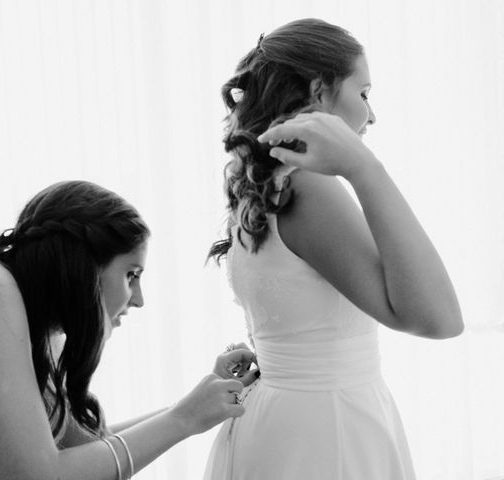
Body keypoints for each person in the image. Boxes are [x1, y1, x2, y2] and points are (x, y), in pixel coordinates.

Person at [204, 18, 464, 479]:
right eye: (363, 93)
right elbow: (438, 318)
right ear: (320, 91)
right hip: (328, 427)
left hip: (278, 419)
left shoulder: (262, 184)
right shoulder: (310, 189)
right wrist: (366, 168)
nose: (372, 114)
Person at [0, 180, 258, 480]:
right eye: (131, 275)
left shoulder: (30, 322)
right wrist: (184, 419)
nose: (139, 300)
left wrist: (195, 405)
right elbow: (35, 476)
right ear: (83, 269)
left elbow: (81, 450)